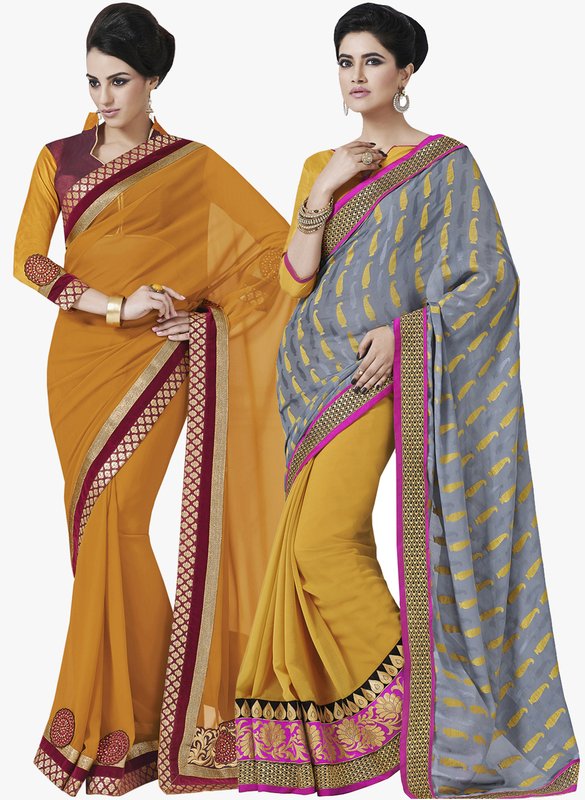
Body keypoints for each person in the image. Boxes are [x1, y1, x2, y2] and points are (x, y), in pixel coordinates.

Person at [233, 4, 580, 797]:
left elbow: (492, 278)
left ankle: (441, 709)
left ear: (406, 72)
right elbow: (293, 279)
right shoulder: (321, 164)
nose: (356, 76)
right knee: (322, 547)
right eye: (344, 61)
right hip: (311, 377)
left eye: (372, 61)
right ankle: (426, 708)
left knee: (323, 546)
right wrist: (326, 185)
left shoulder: (445, 165)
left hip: (382, 374)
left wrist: (406, 334)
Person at [13, 3, 297, 795]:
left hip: (161, 360)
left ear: (153, 80)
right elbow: (28, 260)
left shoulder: (191, 166)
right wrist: (114, 305)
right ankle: (145, 720)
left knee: (118, 522)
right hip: (79, 363)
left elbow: (267, 256)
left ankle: (141, 720)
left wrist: (201, 316)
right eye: (93, 81)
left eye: (119, 81)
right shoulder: (59, 158)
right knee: (95, 530)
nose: (104, 98)